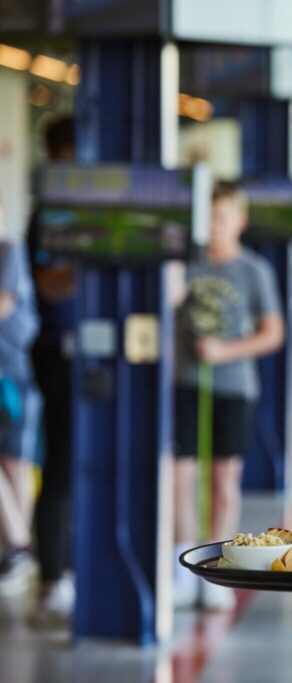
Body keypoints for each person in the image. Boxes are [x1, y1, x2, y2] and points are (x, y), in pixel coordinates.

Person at [171, 181, 285, 611]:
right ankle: (180, 562)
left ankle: (217, 566)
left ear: (239, 221)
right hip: (186, 383)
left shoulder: (254, 271)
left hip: (234, 388)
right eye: (208, 218)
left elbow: (273, 334)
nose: (213, 227)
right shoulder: (186, 262)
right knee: (180, 477)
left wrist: (225, 352)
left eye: (221, 217)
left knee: (223, 480)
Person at [25, 115, 77, 620]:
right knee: (61, 463)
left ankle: (74, 564)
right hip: (57, 349)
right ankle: (51, 576)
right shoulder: (52, 214)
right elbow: (47, 282)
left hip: (97, 353)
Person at [0, 196, 40, 595]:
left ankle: (19, 546)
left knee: (16, 461)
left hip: (12, 374)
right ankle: (18, 545)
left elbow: (3, 304)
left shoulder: (9, 250)